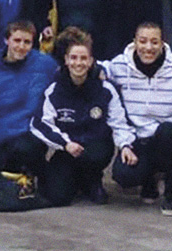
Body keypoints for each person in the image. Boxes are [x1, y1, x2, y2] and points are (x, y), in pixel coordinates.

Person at [103, 20, 172, 216]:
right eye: (143, 41)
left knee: (168, 132)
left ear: (163, 43)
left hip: (169, 138)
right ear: (134, 42)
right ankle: (148, 180)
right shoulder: (120, 65)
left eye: (154, 42)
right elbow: (95, 67)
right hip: (138, 139)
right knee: (124, 175)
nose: (148, 47)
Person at [31, 28, 132, 207]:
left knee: (97, 153)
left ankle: (92, 180)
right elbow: (40, 124)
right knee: (58, 198)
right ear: (66, 60)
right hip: (67, 149)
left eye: (84, 58)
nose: (78, 63)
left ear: (91, 61)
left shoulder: (106, 90)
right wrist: (65, 143)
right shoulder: (54, 90)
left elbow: (119, 123)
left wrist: (125, 145)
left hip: (95, 148)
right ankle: (69, 179)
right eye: (74, 58)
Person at [0, 19, 58, 204]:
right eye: (17, 40)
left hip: (30, 137)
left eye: (27, 42)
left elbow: (69, 74)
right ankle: (23, 183)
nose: (21, 46)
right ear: (6, 40)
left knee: (26, 148)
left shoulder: (45, 64)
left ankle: (31, 176)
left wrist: (98, 72)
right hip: (0, 140)